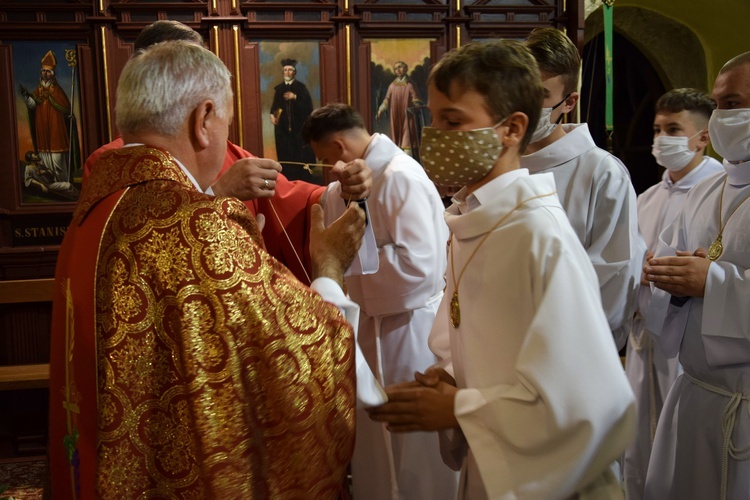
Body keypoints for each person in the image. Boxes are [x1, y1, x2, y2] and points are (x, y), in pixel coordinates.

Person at [48, 40, 368, 499]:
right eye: (227, 123)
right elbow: (301, 359)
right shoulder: (194, 225)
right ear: (203, 120)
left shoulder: (97, 207)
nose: (225, 138)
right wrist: (330, 266)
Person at [367, 39, 636, 499]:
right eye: (433, 118)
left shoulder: (536, 235)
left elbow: (590, 403)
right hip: (494, 463)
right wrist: (451, 376)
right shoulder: (476, 219)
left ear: (512, 129)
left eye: (453, 121)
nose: (435, 134)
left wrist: (460, 410)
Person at [83, 21, 371, 284]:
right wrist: (217, 192)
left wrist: (341, 192)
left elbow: (292, 200)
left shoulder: (231, 155)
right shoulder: (113, 164)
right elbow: (135, 260)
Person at [302, 103, 458, 499]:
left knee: (416, 456)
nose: (325, 169)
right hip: (368, 332)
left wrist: (341, 265)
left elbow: (422, 267)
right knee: (375, 450)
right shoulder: (336, 192)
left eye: (324, 159)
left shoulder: (403, 176)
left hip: (410, 331)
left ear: (339, 145)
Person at [643, 52, 750, 500]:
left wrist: (714, 282)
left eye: (736, 103)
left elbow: (710, 277)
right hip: (696, 393)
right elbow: (671, 264)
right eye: (719, 103)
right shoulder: (709, 187)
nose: (724, 116)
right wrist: (670, 279)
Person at [623, 88, 724, 499]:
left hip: (686, 342)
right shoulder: (647, 196)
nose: (662, 138)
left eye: (673, 130)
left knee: (678, 450)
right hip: (642, 336)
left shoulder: (719, 191)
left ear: (702, 137)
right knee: (637, 443)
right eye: (657, 129)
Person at [521, 27, 644, 351]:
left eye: (539, 96)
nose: (523, 107)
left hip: (567, 351)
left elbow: (613, 284)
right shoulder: (499, 164)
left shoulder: (602, 173)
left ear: (569, 101)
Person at [19, 49, 80, 184]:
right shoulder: (39, 90)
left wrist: (69, 117)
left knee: (58, 160)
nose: (44, 74)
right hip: (42, 131)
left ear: (52, 74)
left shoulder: (57, 91)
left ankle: (63, 183)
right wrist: (26, 96)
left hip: (56, 131)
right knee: (44, 160)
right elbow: (32, 105)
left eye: (47, 71)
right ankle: (50, 184)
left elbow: (65, 108)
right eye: (43, 71)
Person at [269, 58, 317, 180]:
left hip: (298, 128)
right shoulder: (279, 89)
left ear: (294, 72)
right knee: (285, 153)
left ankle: (302, 178)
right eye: (285, 70)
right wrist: (272, 115)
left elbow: (308, 107)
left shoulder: (301, 88)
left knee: (299, 153)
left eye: (290, 70)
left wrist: (295, 97)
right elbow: (274, 106)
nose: (287, 72)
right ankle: (287, 179)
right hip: (283, 129)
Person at [376, 61, 422, 151]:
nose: (398, 70)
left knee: (407, 139)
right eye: (396, 69)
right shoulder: (392, 86)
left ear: (405, 69)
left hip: (407, 116)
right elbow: (387, 100)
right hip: (395, 115)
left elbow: (416, 99)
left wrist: (416, 105)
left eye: (400, 67)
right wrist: (380, 110)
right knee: (396, 140)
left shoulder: (410, 85)